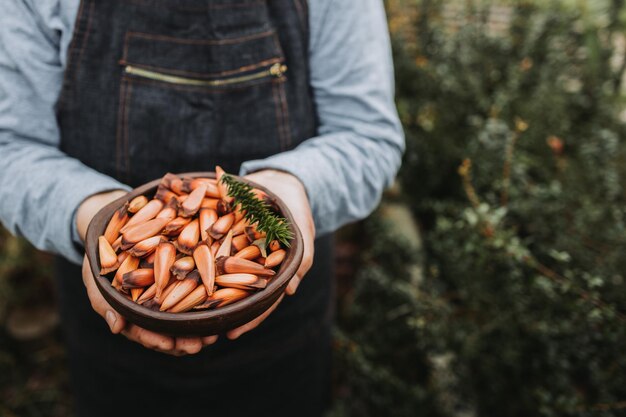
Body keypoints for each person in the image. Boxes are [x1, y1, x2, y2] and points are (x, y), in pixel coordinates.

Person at [0, 0, 404, 416]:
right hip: (113, 317)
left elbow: (366, 134)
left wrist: (292, 185)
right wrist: (93, 212)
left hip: (282, 327)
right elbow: (10, 148)